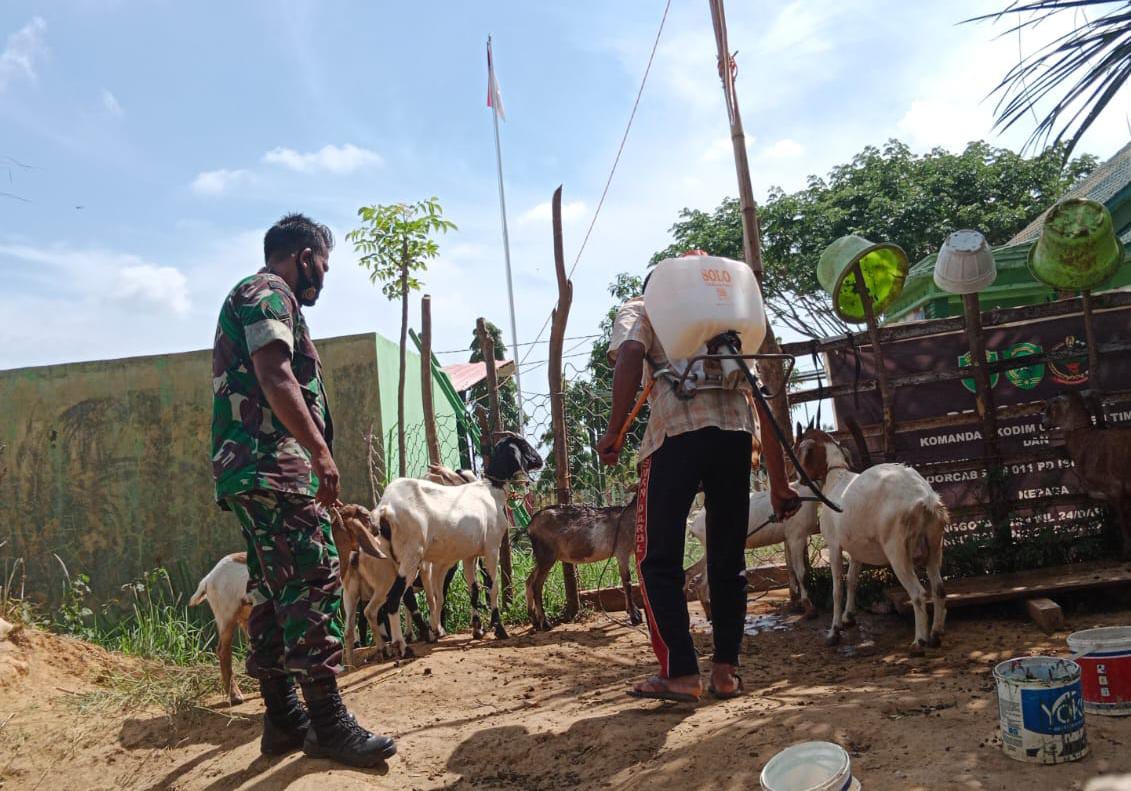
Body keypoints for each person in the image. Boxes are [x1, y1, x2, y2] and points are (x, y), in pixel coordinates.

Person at [211, 213, 396, 766]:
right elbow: (275, 375)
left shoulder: (255, 295)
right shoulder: (269, 291)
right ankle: (328, 724)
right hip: (275, 467)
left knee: (271, 589)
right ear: (303, 254)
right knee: (315, 580)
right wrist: (319, 452)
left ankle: (283, 719)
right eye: (323, 262)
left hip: (252, 470)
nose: (324, 275)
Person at [596, 251, 798, 703]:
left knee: (657, 559)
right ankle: (725, 673)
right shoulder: (727, 315)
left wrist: (614, 432)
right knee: (728, 560)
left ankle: (681, 673)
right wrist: (780, 482)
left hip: (675, 436)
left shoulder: (644, 304)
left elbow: (630, 351)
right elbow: (758, 399)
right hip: (734, 436)